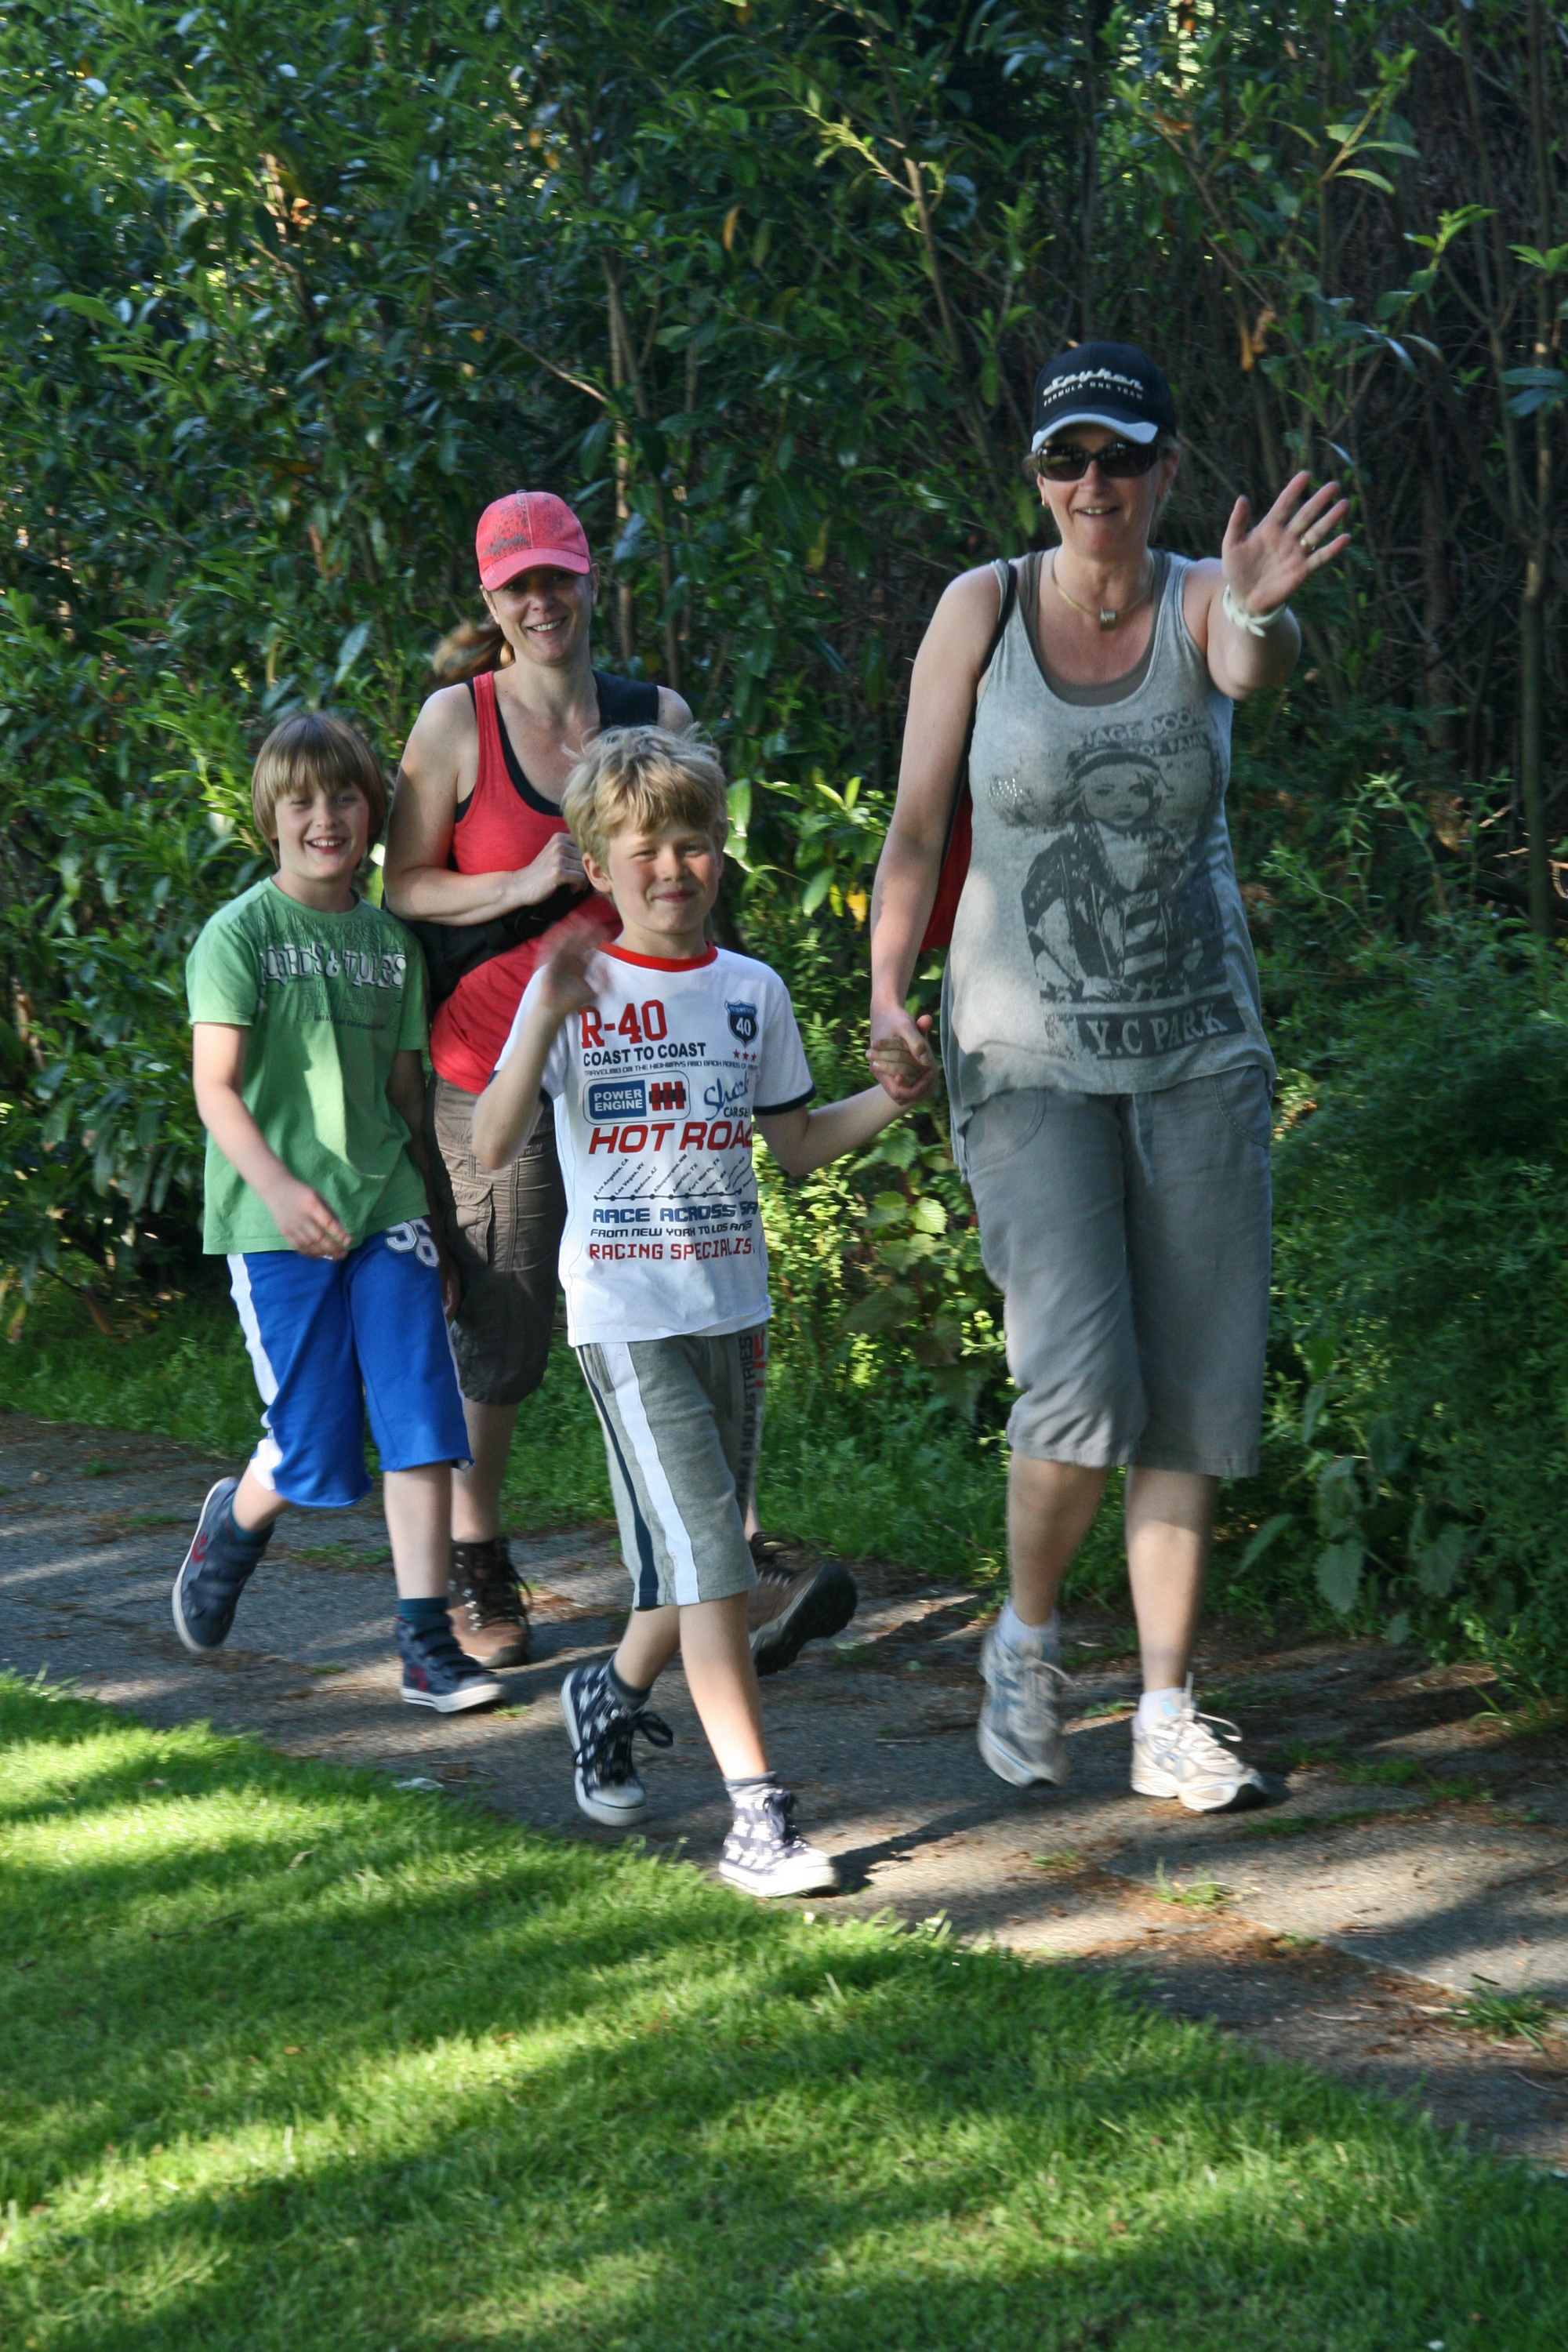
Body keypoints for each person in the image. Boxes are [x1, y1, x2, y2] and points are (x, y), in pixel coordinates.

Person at [866, 341, 1350, 1813]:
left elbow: (1252, 663)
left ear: (1166, 470)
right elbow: (916, 825)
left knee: (1194, 1397)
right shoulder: (982, 609)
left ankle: (1164, 1709)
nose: (1095, 484)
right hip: (1024, 1060)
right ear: (1038, 475)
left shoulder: (1204, 595)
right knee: (1078, 1388)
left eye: (1122, 457)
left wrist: (1257, 607)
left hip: (1200, 1056)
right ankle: (1025, 1641)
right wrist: (886, 991)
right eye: (1068, 459)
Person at [385, 489, 856, 1673]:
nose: (541, 602)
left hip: (643, 1055)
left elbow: (694, 867)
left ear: (590, 580)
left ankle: (734, 1553)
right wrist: (516, 888)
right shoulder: (456, 721)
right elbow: (402, 885)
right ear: (491, 600)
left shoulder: (658, 715)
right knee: (505, 1322)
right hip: (495, 1054)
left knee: (688, 1289)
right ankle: (477, 1554)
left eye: (558, 577)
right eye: (518, 587)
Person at [471, 725, 934, 1895]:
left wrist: (894, 1096)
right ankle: (756, 1818)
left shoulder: (751, 991)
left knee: (690, 1562)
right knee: (716, 1566)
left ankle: (609, 1691)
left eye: (692, 844)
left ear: (721, 851)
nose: (672, 868)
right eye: (644, 851)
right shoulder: (572, 991)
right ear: (597, 867)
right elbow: (491, 1141)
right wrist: (544, 1014)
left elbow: (798, 1145)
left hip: (733, 1310)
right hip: (624, 1315)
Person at [172, 712, 502, 1717]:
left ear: (372, 814)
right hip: (275, 1225)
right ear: (270, 817)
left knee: (420, 1417)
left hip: (385, 1210)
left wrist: (440, 1227)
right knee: (314, 1445)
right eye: (303, 800)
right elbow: (215, 1088)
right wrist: (280, 1189)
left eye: (346, 797)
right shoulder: (238, 936)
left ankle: (425, 1645)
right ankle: (235, 1524)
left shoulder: (388, 946)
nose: (326, 817)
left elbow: (405, 1099)